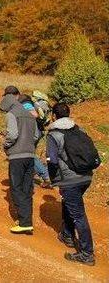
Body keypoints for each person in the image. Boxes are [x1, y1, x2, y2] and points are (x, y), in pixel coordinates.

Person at [46, 103, 96, 266]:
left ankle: (87, 253)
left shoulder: (53, 134)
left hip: (70, 180)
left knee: (78, 215)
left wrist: (54, 178)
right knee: (70, 203)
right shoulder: (79, 129)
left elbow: (52, 161)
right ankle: (67, 234)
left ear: (54, 115)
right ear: (68, 114)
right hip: (86, 176)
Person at [0, 85, 41, 234]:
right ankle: (26, 220)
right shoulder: (30, 114)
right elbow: (36, 136)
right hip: (30, 155)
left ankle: (25, 222)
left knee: (16, 188)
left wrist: (6, 145)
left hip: (17, 156)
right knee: (27, 189)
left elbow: (13, 134)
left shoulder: (11, 114)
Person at [18, 94, 51, 188]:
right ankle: (29, 176)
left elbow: (35, 114)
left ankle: (46, 175)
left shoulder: (26, 103)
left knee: (29, 154)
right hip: (37, 132)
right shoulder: (28, 102)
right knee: (29, 155)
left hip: (33, 133)